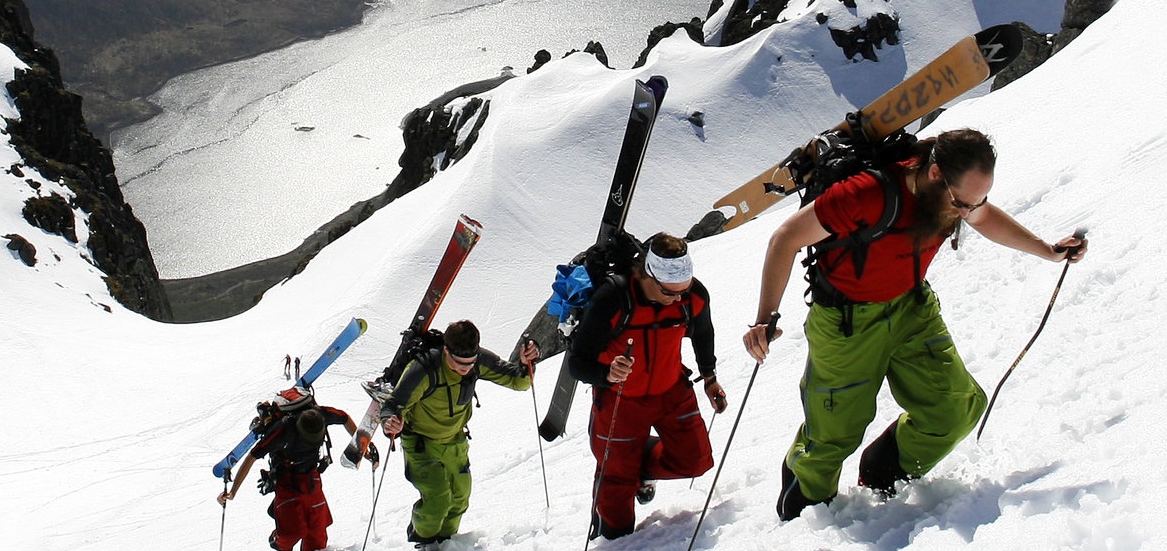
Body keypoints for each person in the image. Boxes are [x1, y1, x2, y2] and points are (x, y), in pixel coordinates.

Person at [741, 127, 1086, 520]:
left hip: (911, 307)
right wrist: (764, 319)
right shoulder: (868, 193)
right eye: (961, 203)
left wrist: (1048, 251)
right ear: (935, 173)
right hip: (846, 323)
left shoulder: (957, 199)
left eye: (975, 202)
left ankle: (884, 471)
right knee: (834, 433)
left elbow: (984, 217)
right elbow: (786, 238)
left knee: (956, 408)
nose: (965, 213)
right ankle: (803, 509)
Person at [567, 233, 728, 540]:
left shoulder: (692, 295)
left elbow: (703, 332)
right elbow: (578, 362)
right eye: (670, 292)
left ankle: (633, 467)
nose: (678, 298)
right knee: (616, 519)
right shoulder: (613, 298)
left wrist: (709, 377)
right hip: (619, 399)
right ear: (648, 276)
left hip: (671, 391)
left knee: (696, 459)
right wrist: (607, 373)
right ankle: (612, 508)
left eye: (683, 290)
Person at [380, 320, 538, 548]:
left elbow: (517, 381)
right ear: (446, 350)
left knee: (459, 498)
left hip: (455, 441)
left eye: (470, 363)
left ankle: (446, 542)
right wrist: (390, 422)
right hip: (422, 444)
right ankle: (424, 542)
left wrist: (526, 364)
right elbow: (394, 404)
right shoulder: (424, 368)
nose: (466, 368)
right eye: (458, 363)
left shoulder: (478, 361)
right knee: (437, 500)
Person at [219, 397, 358, 551]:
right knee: (291, 533)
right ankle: (276, 541)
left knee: (317, 533)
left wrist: (363, 446)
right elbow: (252, 456)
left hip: (311, 475)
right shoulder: (284, 429)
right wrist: (233, 492)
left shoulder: (321, 414)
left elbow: (344, 417)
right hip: (287, 479)